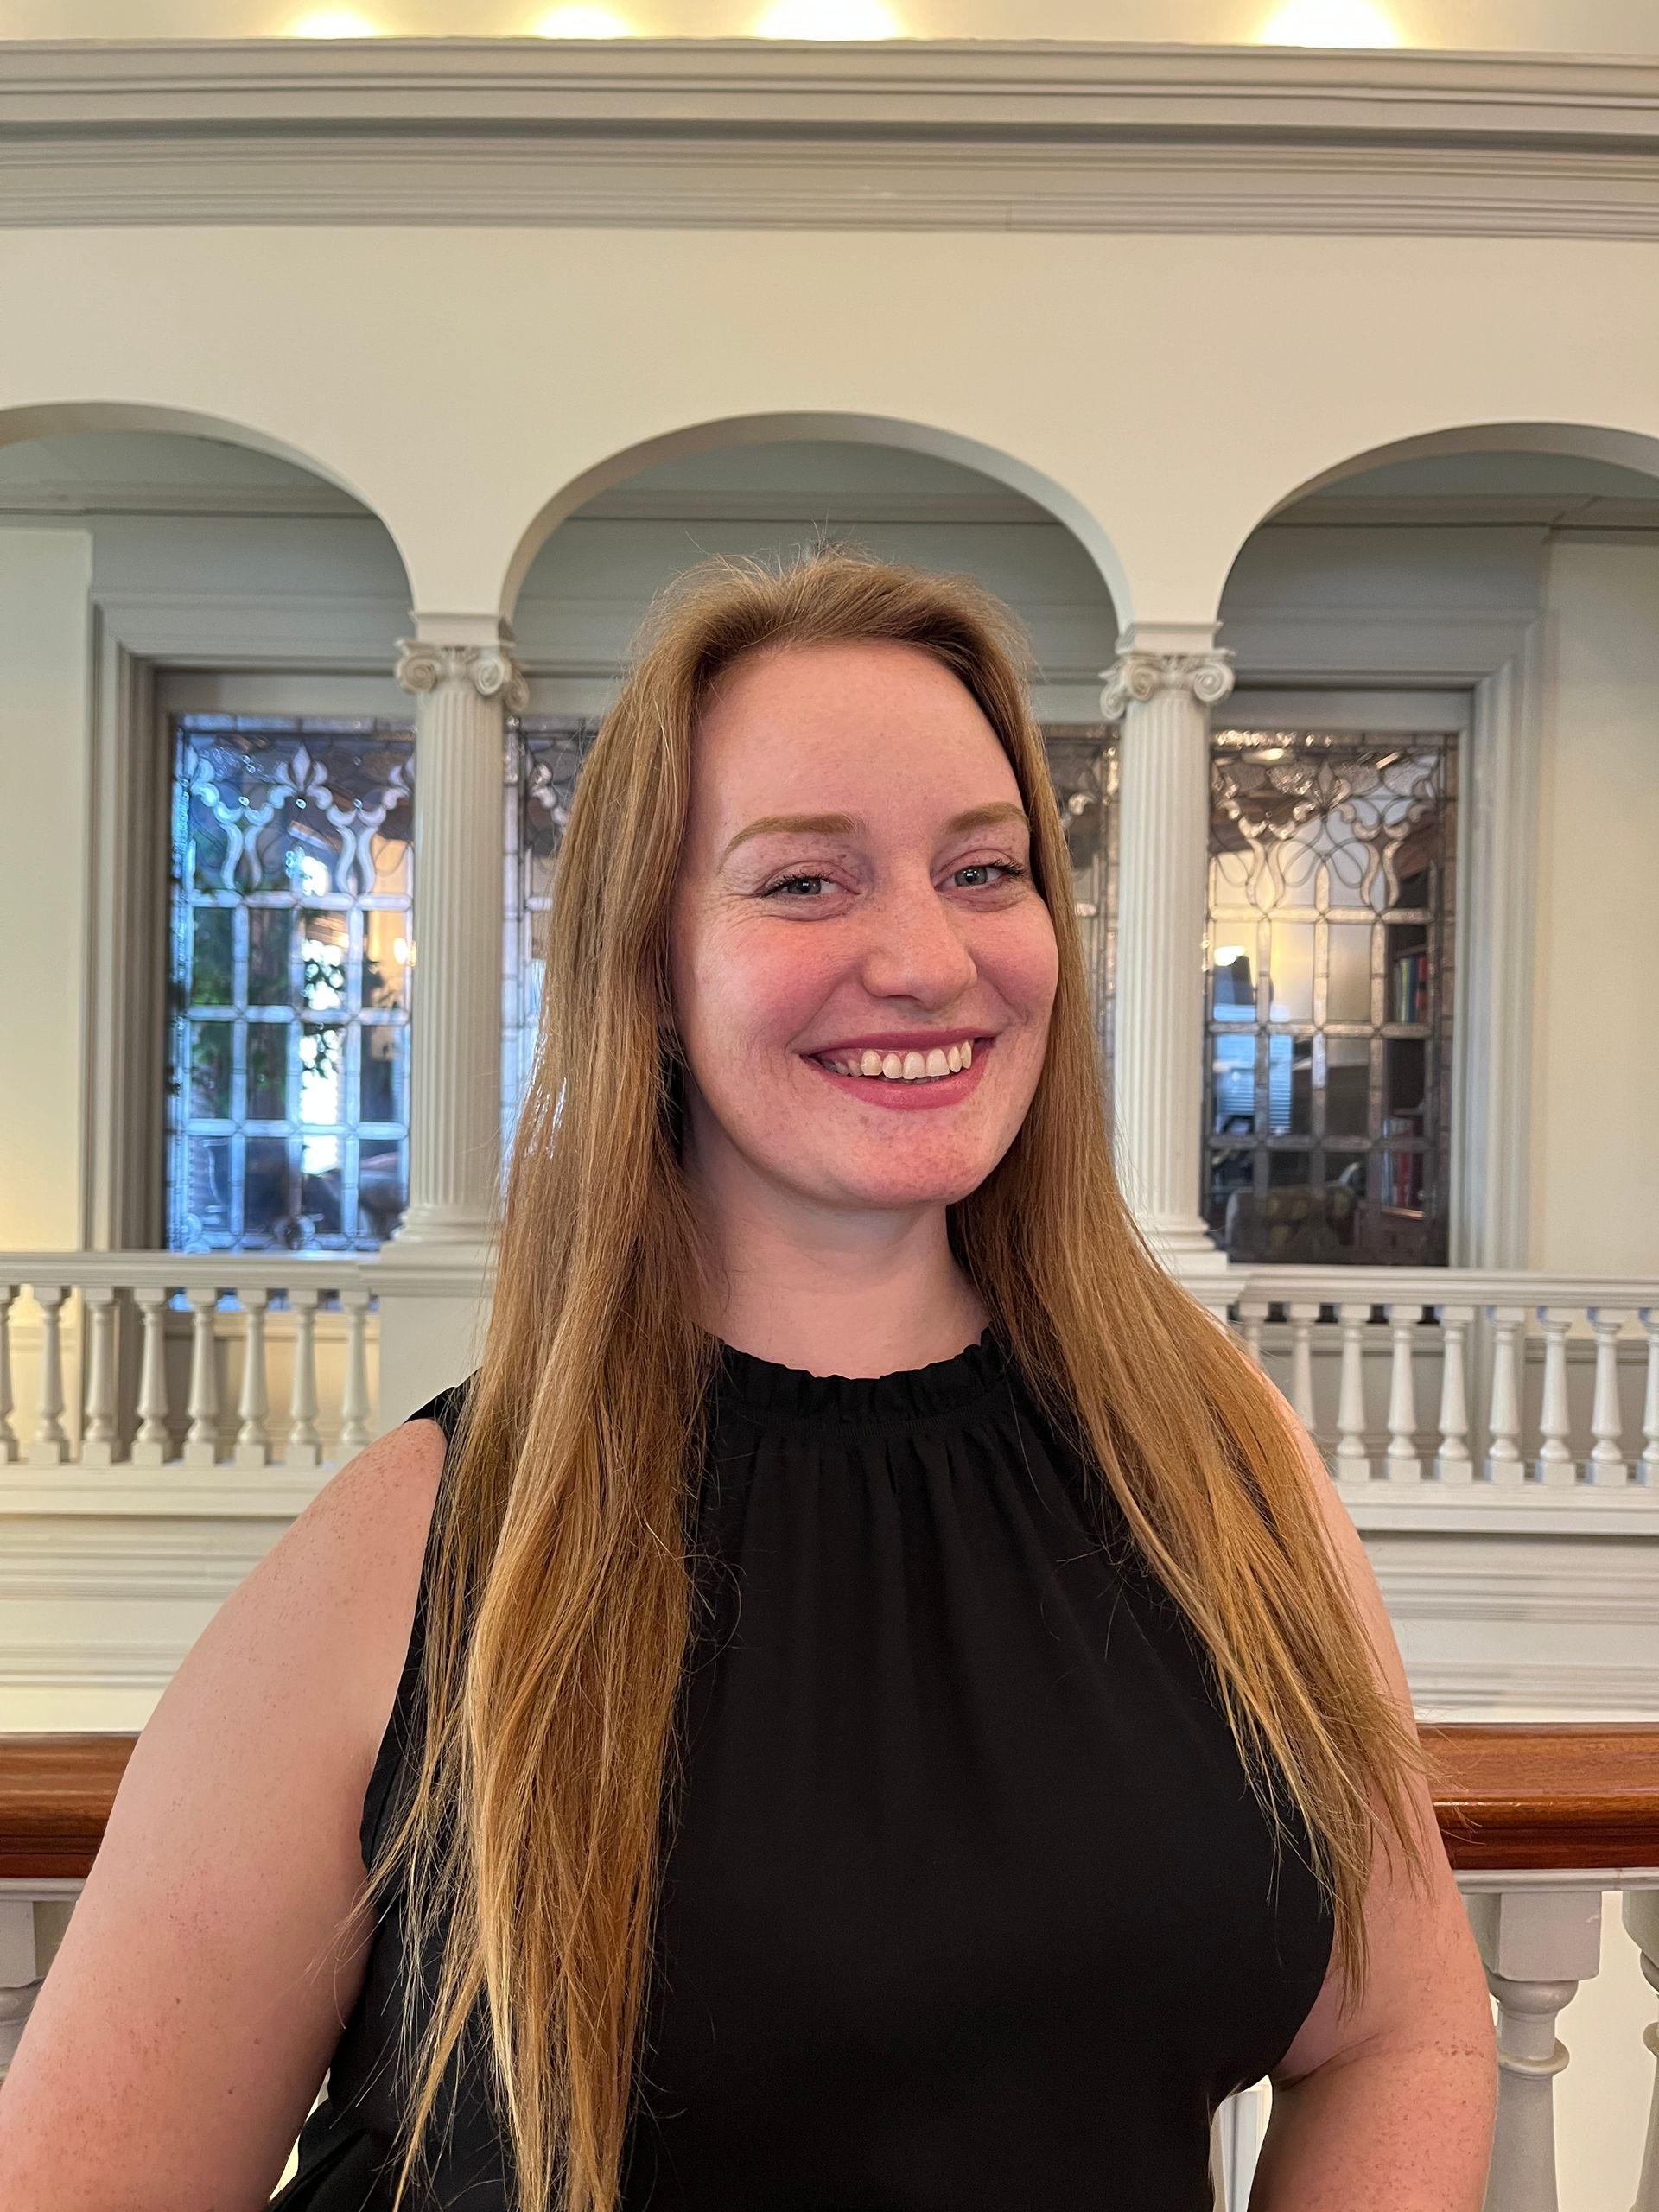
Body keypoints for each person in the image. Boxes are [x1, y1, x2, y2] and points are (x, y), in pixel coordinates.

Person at [0, 549, 1495, 2212]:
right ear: (648, 961)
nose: (927, 957)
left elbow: (1401, 2024)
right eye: (805, 883)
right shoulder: (416, 1552)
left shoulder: (1220, 1462)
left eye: (983, 870)